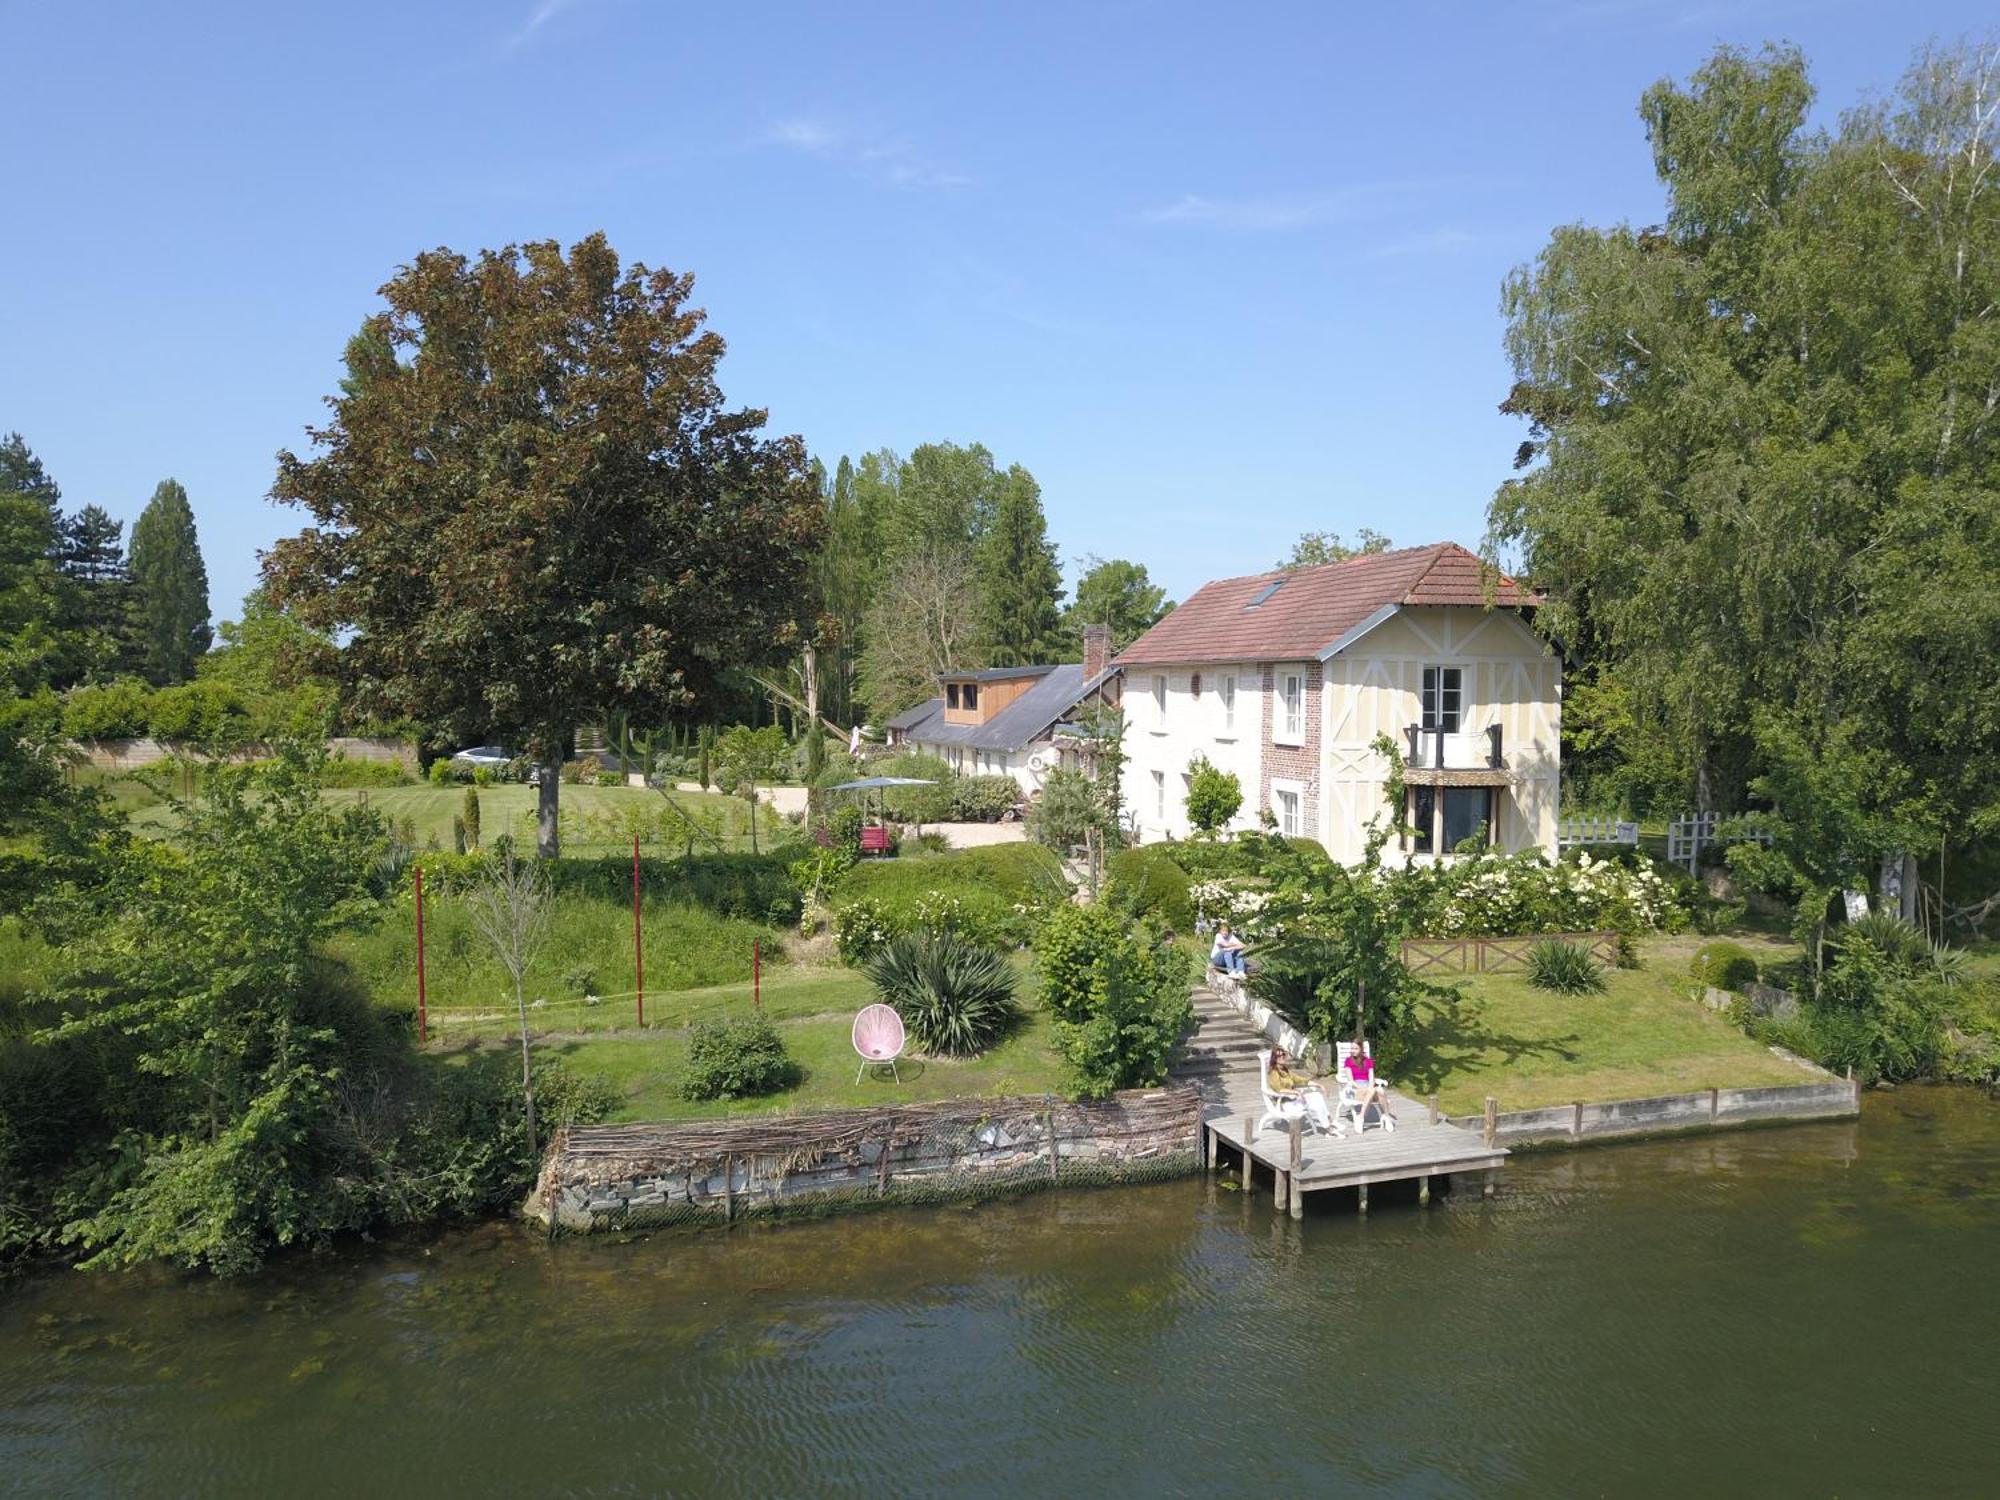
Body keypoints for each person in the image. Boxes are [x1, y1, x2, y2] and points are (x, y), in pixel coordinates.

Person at [1268, 1047, 1332, 1133]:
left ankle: (1329, 1121)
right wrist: (1296, 1092)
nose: (1282, 1057)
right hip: (1285, 1103)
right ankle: (1328, 1128)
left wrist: (1319, 1085)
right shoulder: (1273, 1073)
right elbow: (1279, 1089)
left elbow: (1301, 1080)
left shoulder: (1285, 1070)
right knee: (1316, 1104)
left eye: (1283, 1054)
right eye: (1278, 1056)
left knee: (1317, 1095)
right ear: (1274, 1059)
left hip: (1294, 1100)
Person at [1342, 1041, 1393, 1128]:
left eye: (1356, 1048)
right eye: (1352, 1048)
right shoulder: (1348, 1061)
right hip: (1356, 1089)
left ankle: (1386, 1117)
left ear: (1361, 1049)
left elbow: (1371, 1078)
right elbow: (1351, 1081)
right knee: (1374, 1090)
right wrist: (1364, 1088)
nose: (1353, 1050)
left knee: (1380, 1090)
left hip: (1368, 1087)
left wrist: (1370, 1086)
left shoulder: (1368, 1061)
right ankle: (1362, 1117)